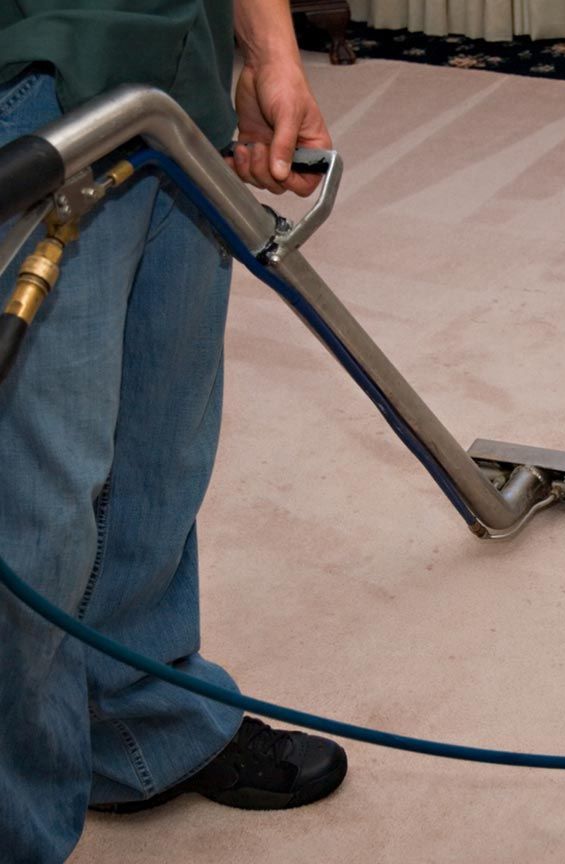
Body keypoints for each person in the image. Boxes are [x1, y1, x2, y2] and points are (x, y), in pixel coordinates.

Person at [0, 2, 346, 861]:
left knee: (156, 455)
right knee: (35, 510)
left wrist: (270, 51)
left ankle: (140, 725)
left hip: (176, 76)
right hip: (32, 74)